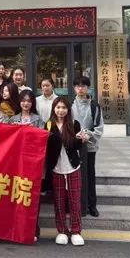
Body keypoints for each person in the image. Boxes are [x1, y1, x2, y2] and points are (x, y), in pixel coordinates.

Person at [45, 96, 88, 246]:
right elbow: (46, 145)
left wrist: (81, 139)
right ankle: (62, 231)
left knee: (75, 201)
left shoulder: (74, 124)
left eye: (64, 108)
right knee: (59, 202)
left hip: (72, 168)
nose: (61, 110)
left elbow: (76, 146)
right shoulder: (48, 124)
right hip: (56, 168)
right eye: (58, 107)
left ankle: (76, 231)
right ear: (54, 109)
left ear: (68, 110)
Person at [72, 76, 103, 218]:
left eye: (83, 86)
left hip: (89, 147)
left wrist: (87, 135)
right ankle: (77, 205)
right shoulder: (70, 105)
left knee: (90, 175)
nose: (80, 88)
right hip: (74, 146)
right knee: (75, 176)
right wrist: (76, 136)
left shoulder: (94, 106)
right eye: (77, 86)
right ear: (74, 88)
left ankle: (92, 205)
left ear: (88, 88)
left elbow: (99, 128)